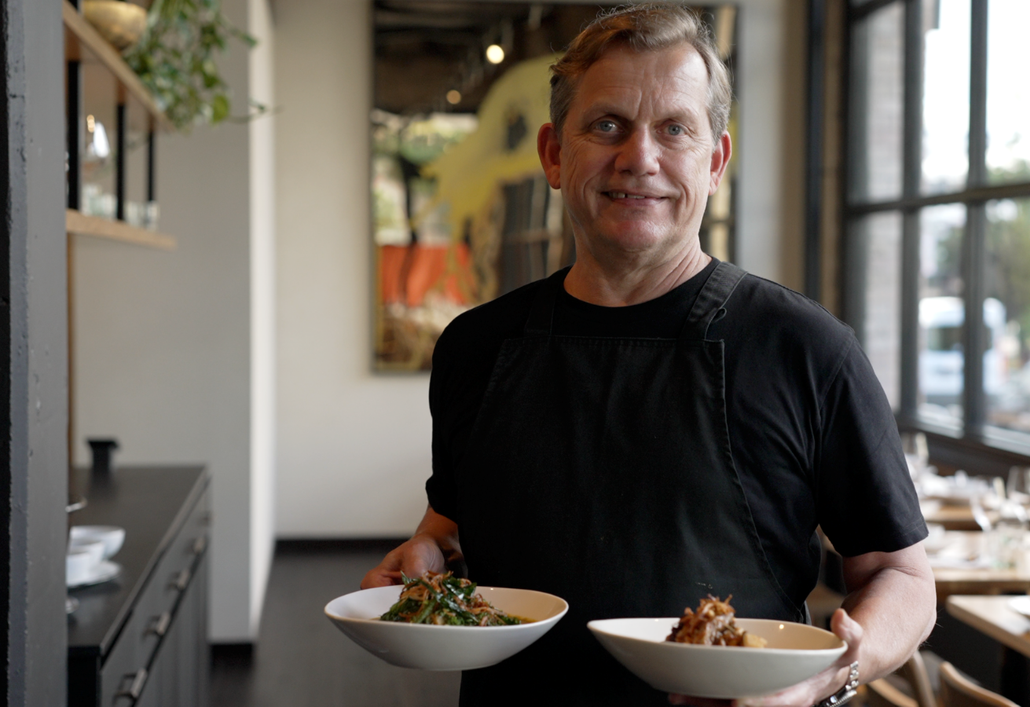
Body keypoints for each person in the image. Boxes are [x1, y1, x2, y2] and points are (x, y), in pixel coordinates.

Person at [361, 5, 936, 706]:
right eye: (607, 125)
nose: (639, 157)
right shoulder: (475, 347)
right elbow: (452, 518)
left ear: (716, 160)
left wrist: (824, 677)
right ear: (552, 153)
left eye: (675, 129)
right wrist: (428, 552)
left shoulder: (807, 348)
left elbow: (903, 578)